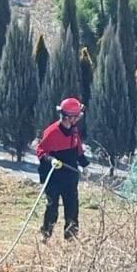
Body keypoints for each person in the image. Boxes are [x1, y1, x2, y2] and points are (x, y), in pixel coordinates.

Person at [35, 97, 90, 241]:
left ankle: (71, 237)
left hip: (70, 177)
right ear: (69, 117)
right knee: (52, 207)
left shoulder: (74, 131)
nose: (78, 119)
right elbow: (41, 151)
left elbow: (78, 149)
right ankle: (46, 234)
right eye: (76, 116)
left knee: (72, 207)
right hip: (53, 177)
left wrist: (85, 165)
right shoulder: (52, 132)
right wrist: (51, 160)